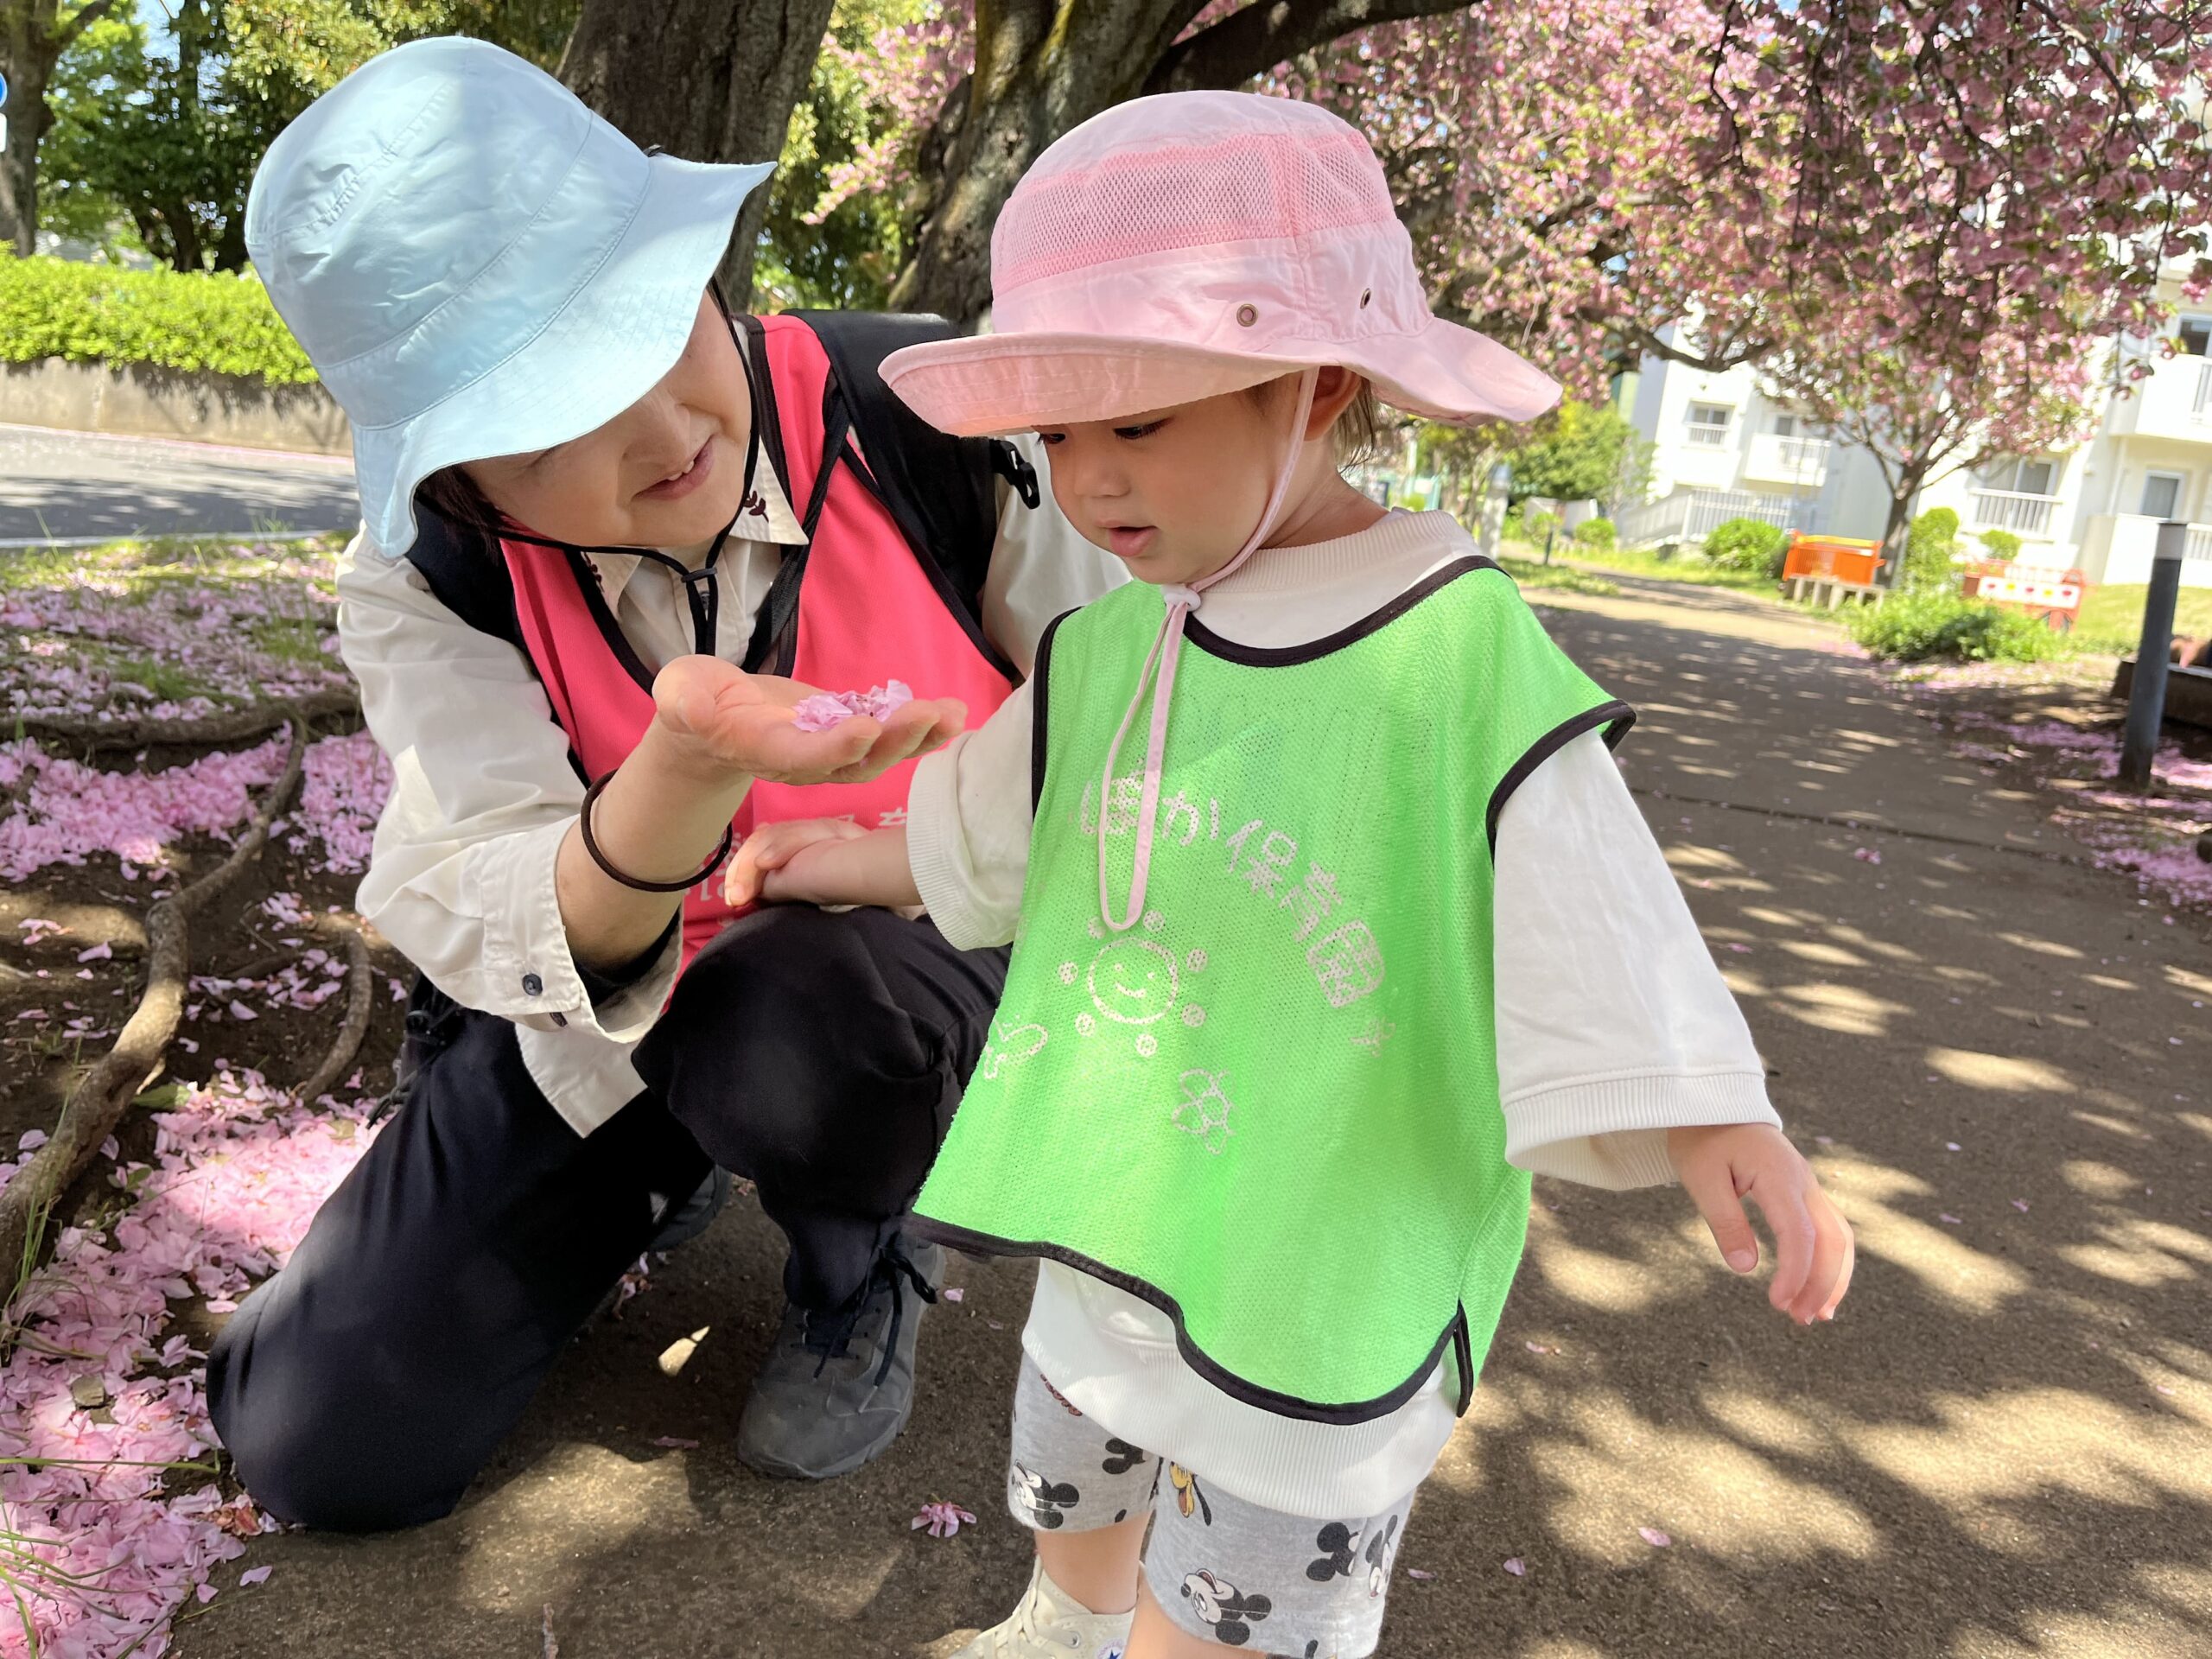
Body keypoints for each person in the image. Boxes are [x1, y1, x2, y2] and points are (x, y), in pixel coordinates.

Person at [722, 92, 1857, 1658]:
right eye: (1060, 437)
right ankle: (1065, 1627)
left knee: (1246, 1557)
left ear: (1315, 386)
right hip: (1129, 1161)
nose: (1093, 481)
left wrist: (1712, 1110)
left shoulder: (1455, 650)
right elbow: (993, 823)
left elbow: (1589, 894)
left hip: (1333, 1194)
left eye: (1140, 422)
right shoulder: (1112, 640)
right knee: (1085, 1466)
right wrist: (838, 855)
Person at [205, 36, 1122, 1529]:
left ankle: (857, 1250)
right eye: (543, 419)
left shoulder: (931, 418)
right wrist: (684, 764)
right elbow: (499, 880)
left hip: (908, 973)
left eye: (649, 325)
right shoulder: (427, 578)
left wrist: (912, 851)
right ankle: (681, 1151)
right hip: (608, 1000)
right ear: (458, 483)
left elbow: (1134, 730)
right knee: (325, 1435)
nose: (661, 433)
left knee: (792, 1025)